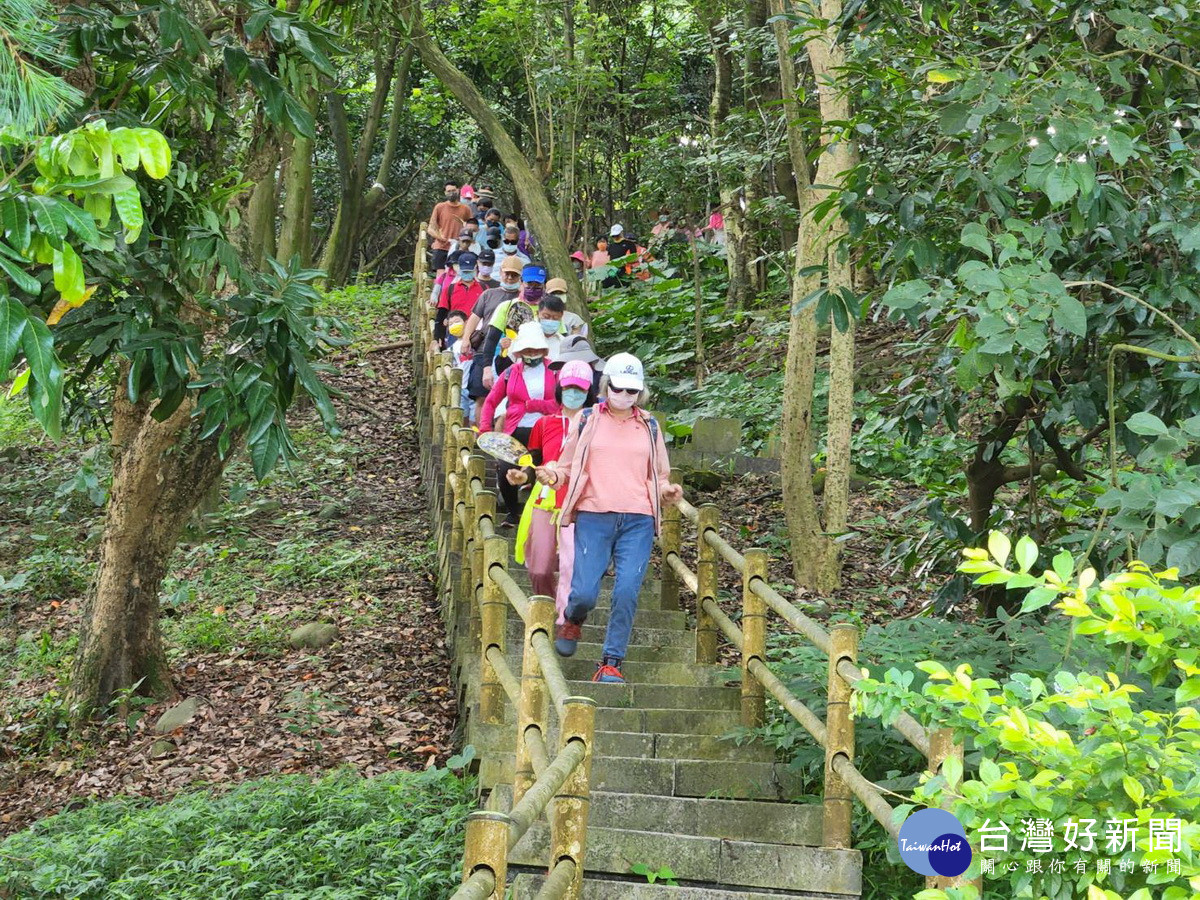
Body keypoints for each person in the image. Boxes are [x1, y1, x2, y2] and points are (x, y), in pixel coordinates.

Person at [535, 353, 683, 683]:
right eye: (619, 389)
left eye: (633, 391)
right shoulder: (587, 419)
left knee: (628, 589)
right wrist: (552, 476)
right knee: (585, 592)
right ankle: (572, 618)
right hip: (593, 514)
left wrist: (667, 491)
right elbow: (567, 465)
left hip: (638, 519)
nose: (626, 396)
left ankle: (612, 661)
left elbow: (659, 473)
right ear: (606, 386)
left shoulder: (650, 425)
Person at [507, 360, 597, 623]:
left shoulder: (596, 425)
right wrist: (523, 474)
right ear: (559, 389)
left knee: (574, 567)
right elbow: (533, 458)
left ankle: (566, 618)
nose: (573, 393)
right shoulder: (544, 424)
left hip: (582, 503)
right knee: (539, 568)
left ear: (589, 391)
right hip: (545, 500)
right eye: (568, 387)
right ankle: (548, 612)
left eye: (579, 389)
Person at [480, 322, 560, 527]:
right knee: (505, 469)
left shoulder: (554, 371)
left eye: (535, 349)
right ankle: (513, 512)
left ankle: (537, 516)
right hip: (515, 429)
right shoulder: (510, 372)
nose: (531, 353)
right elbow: (490, 402)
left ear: (543, 349)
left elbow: (560, 403)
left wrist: (534, 405)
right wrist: (485, 431)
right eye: (526, 349)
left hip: (544, 430)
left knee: (539, 470)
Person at [461, 255, 524, 423]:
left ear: (520, 276)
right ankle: (481, 435)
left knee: (509, 398)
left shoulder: (523, 298)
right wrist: (466, 339)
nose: (510, 278)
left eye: (514, 275)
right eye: (507, 273)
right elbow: (474, 318)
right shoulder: (489, 294)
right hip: (484, 350)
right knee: (482, 396)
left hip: (511, 354)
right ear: (501, 272)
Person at [481, 263, 546, 381]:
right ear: (522, 282)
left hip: (542, 368)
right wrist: (487, 369)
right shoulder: (507, 306)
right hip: (511, 366)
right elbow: (491, 339)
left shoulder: (548, 310)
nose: (533, 287)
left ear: (544, 285)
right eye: (529, 283)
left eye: (537, 284)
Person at [426, 182, 471, 292]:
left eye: (453, 190)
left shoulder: (465, 209)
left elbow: (470, 226)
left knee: (457, 273)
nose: (451, 193)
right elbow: (430, 228)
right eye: (449, 191)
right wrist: (441, 238)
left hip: (458, 247)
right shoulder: (440, 207)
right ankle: (438, 297)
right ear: (445, 193)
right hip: (441, 246)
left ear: (458, 190)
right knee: (441, 274)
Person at [434, 251, 483, 344]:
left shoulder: (484, 289)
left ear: (476, 268)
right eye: (464, 271)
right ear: (459, 269)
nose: (467, 274)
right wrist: (438, 336)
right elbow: (441, 314)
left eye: (469, 271)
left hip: (477, 333)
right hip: (455, 333)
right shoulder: (450, 289)